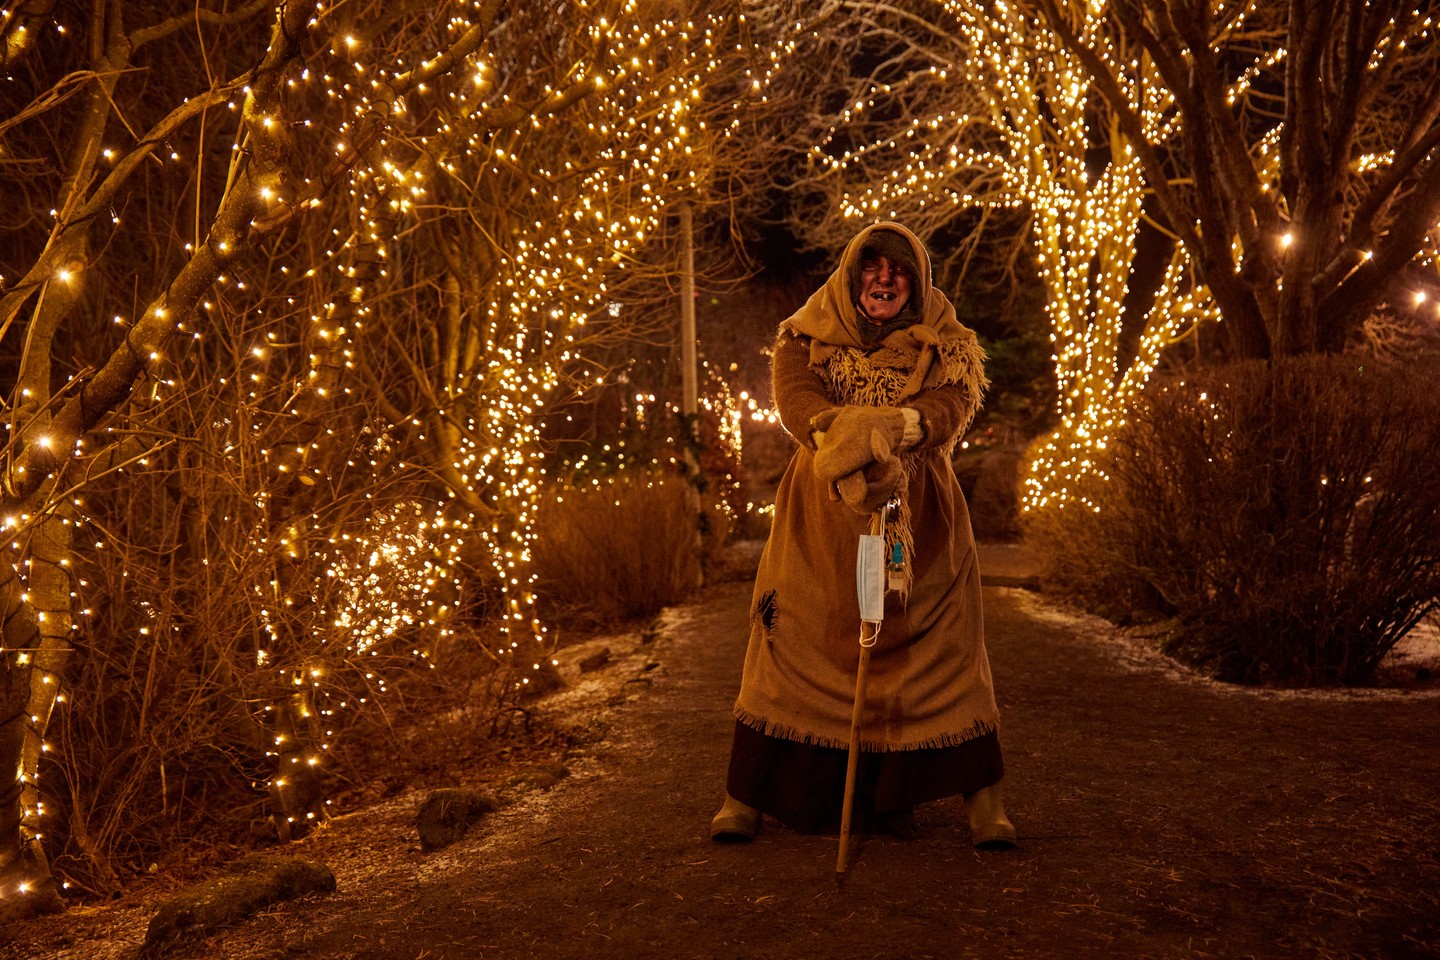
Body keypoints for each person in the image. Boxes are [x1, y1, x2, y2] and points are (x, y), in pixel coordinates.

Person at [710, 221, 1016, 849]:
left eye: (898, 270)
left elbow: (950, 408)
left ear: (916, 282)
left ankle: (986, 802)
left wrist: (900, 427)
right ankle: (744, 797)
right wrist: (838, 433)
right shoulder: (804, 335)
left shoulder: (949, 343)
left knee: (945, 649)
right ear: (853, 277)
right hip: (819, 518)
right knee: (790, 636)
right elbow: (795, 399)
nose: (884, 279)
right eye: (872, 267)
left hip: (920, 517)